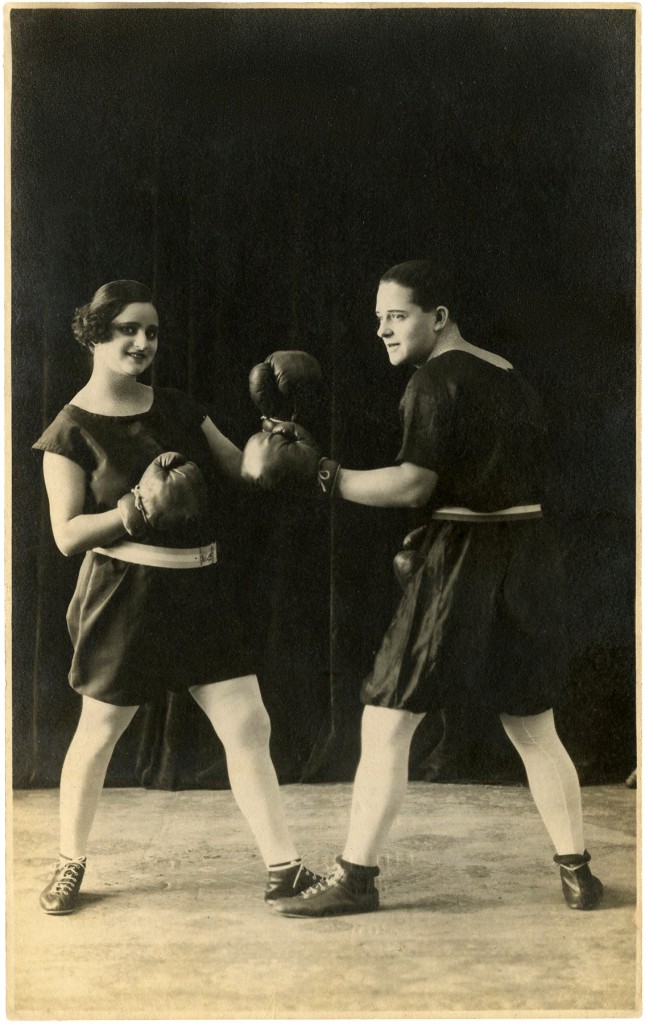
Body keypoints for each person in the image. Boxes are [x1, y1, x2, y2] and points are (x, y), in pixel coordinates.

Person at [241, 259, 604, 917]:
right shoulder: (509, 375)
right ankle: (577, 872)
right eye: (378, 318)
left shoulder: (433, 382)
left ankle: (356, 877)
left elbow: (413, 484)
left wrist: (325, 475)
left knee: (384, 720)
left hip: (460, 562)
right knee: (532, 726)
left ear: (437, 317)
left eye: (397, 316)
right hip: (524, 557)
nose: (382, 330)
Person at [32, 279, 321, 915]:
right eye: (127, 330)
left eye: (152, 331)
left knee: (249, 723)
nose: (142, 342)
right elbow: (66, 536)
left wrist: (277, 434)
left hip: (200, 588)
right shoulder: (70, 430)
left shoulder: (180, 406)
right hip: (125, 593)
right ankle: (68, 862)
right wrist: (133, 508)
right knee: (100, 731)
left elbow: (242, 471)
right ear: (94, 334)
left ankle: (285, 870)